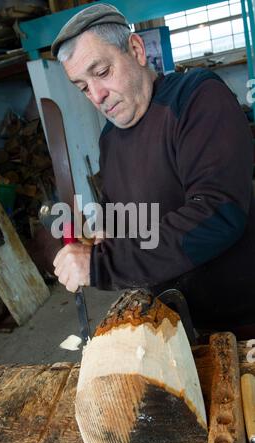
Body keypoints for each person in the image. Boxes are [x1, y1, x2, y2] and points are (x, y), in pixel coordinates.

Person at [52, 4, 255, 336]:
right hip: (169, 323)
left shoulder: (197, 99)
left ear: (136, 50)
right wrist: (107, 229)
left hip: (239, 325)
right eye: (83, 87)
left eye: (102, 72)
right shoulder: (110, 139)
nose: (97, 95)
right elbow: (122, 210)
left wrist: (100, 265)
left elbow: (218, 213)